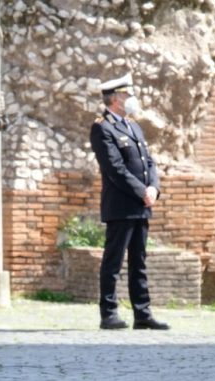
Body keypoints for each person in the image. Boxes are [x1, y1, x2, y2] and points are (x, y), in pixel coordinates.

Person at [89, 73, 169, 330]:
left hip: (141, 205)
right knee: (113, 261)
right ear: (114, 99)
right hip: (121, 206)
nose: (131, 99)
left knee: (139, 261)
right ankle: (109, 313)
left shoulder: (133, 126)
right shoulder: (102, 127)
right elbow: (115, 169)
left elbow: (148, 162)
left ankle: (142, 313)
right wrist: (141, 191)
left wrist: (154, 188)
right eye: (126, 95)